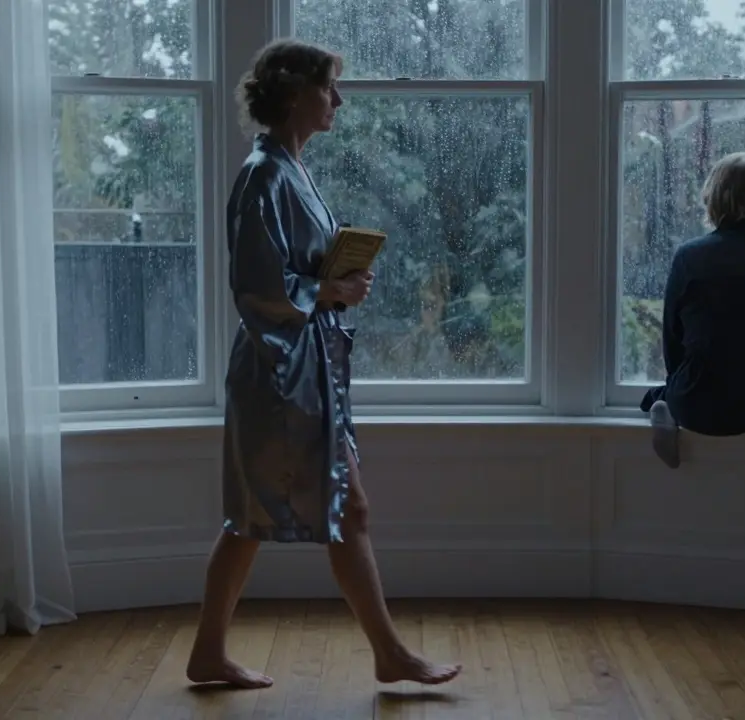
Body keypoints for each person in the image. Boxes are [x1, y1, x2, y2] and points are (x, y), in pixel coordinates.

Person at [184, 39, 462, 690]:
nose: (338, 98)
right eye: (328, 86)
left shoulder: (289, 170)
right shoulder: (264, 175)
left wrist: (338, 280)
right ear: (292, 93)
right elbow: (256, 286)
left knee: (260, 517)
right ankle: (390, 654)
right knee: (318, 510)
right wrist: (328, 290)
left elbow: (291, 273)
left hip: (302, 368)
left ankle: (210, 653)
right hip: (278, 372)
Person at [641, 152, 745, 469]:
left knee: (676, 386)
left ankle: (662, 403)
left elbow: (673, 344)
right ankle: (667, 400)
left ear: (712, 198)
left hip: (702, 406)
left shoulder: (689, 257)